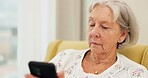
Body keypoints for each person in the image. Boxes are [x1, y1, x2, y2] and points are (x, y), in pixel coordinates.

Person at [25, 0, 148, 78]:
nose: (94, 32)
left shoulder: (135, 73)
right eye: (92, 24)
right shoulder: (65, 57)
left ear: (122, 35)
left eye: (104, 27)